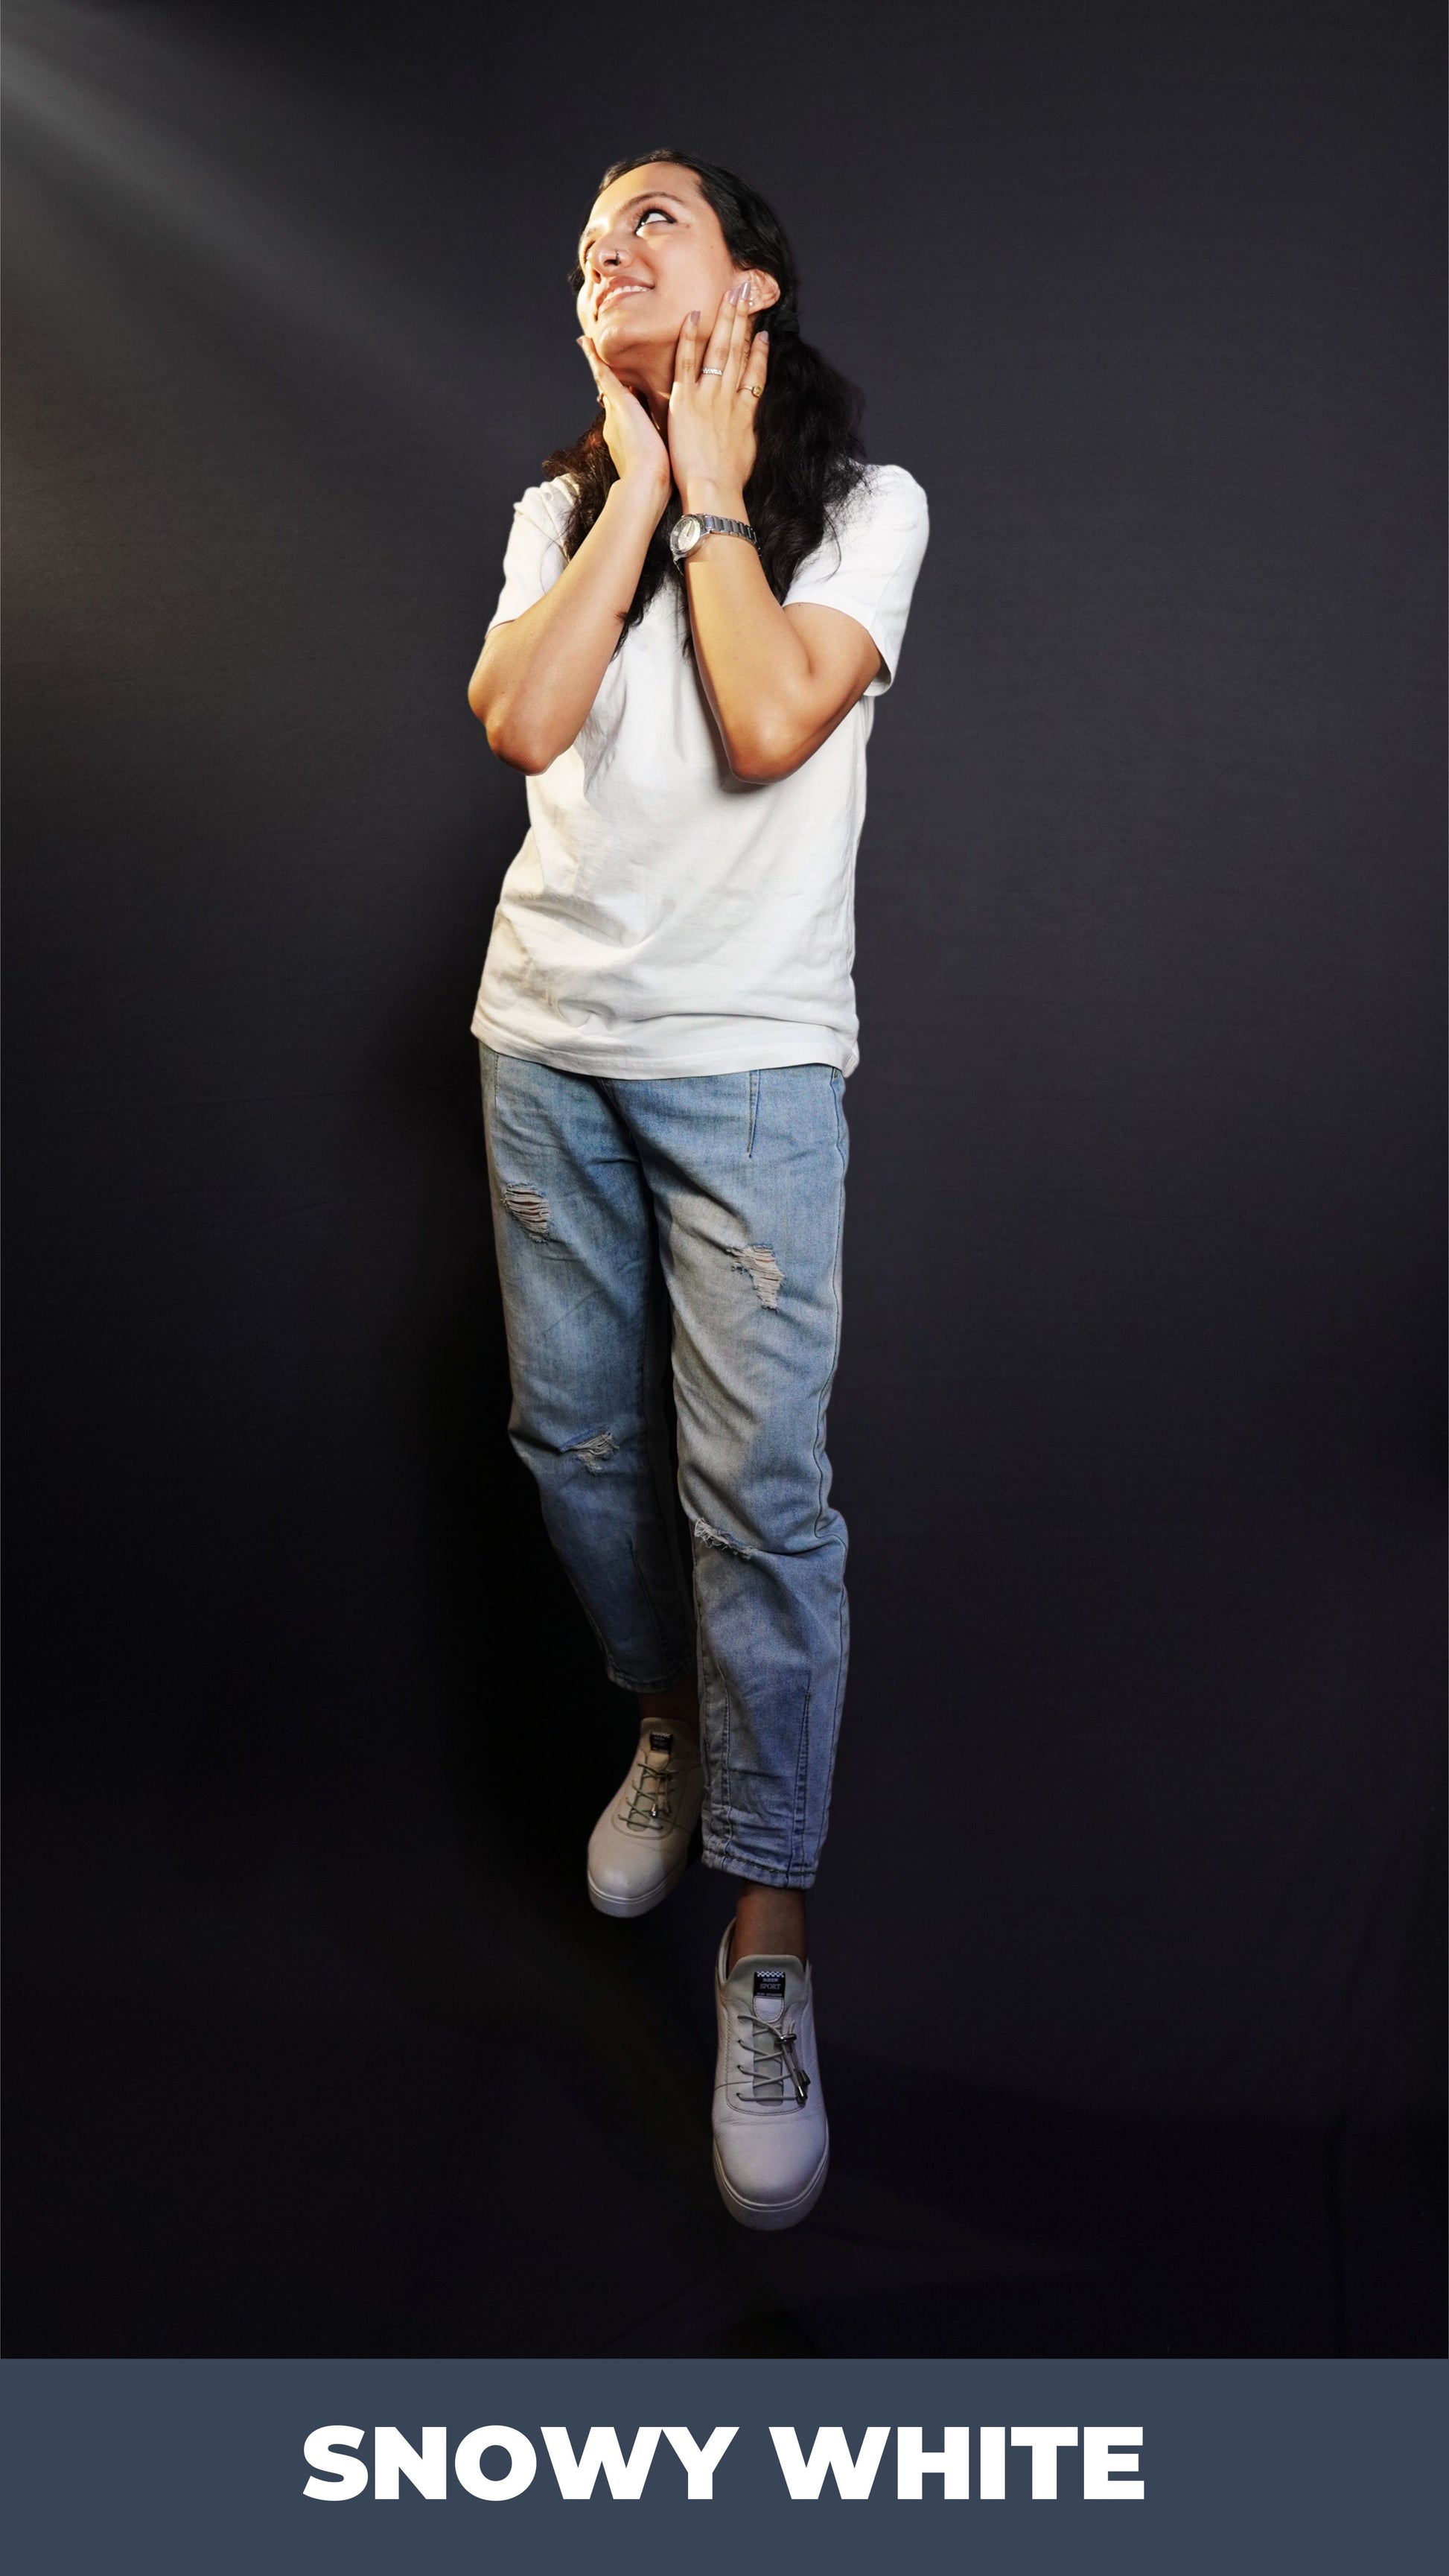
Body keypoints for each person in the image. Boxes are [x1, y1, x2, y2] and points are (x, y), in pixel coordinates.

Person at [467, 150, 928, 2230]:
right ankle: (667, 1723)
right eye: (588, 238)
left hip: (746, 1063)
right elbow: (521, 711)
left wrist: (722, 480)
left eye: (649, 218)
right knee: (573, 1450)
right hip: (543, 1038)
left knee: (760, 1501)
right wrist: (641, 475)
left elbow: (761, 717)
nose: (606, 247)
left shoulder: (869, 505)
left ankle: (765, 1943)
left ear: (750, 279)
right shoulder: (556, 508)